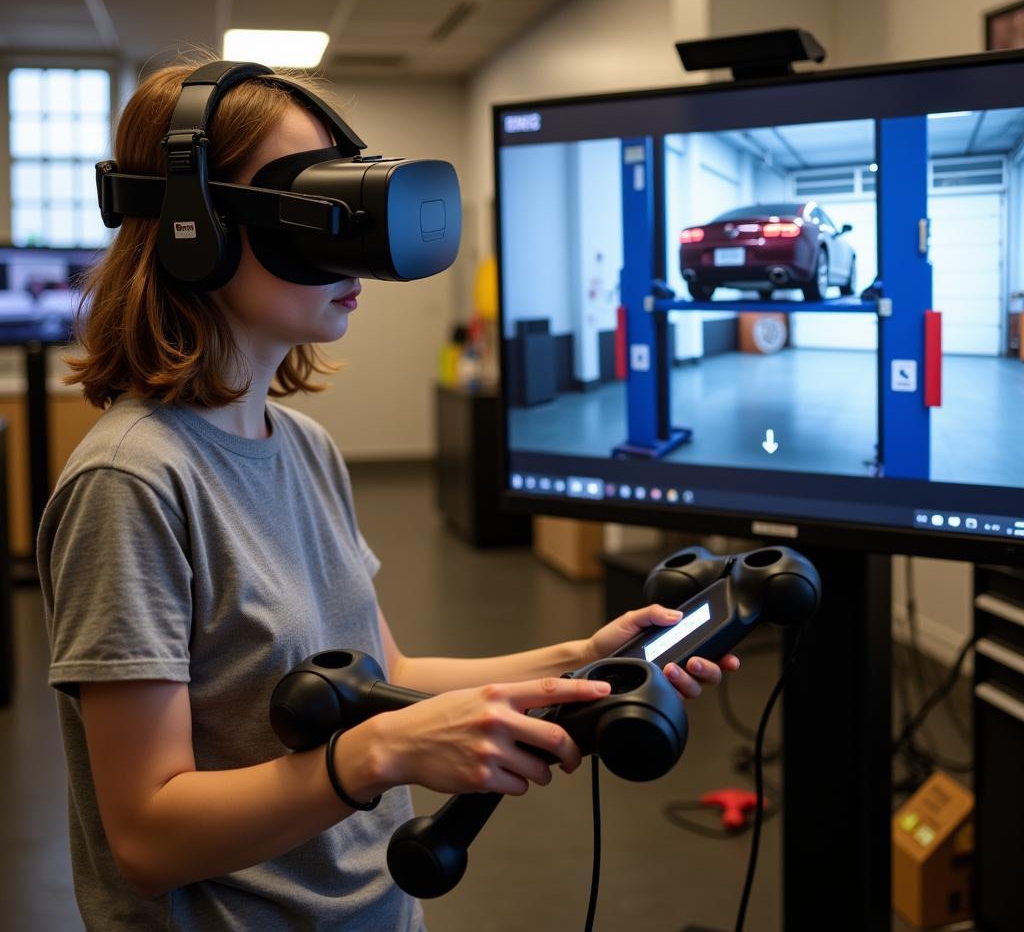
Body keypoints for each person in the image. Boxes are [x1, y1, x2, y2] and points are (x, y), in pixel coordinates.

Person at [38, 60, 740, 932]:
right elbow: (146, 838)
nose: (354, 247)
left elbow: (389, 675)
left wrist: (580, 655)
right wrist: (376, 755)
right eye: (311, 206)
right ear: (193, 229)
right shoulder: (132, 482)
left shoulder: (305, 448)